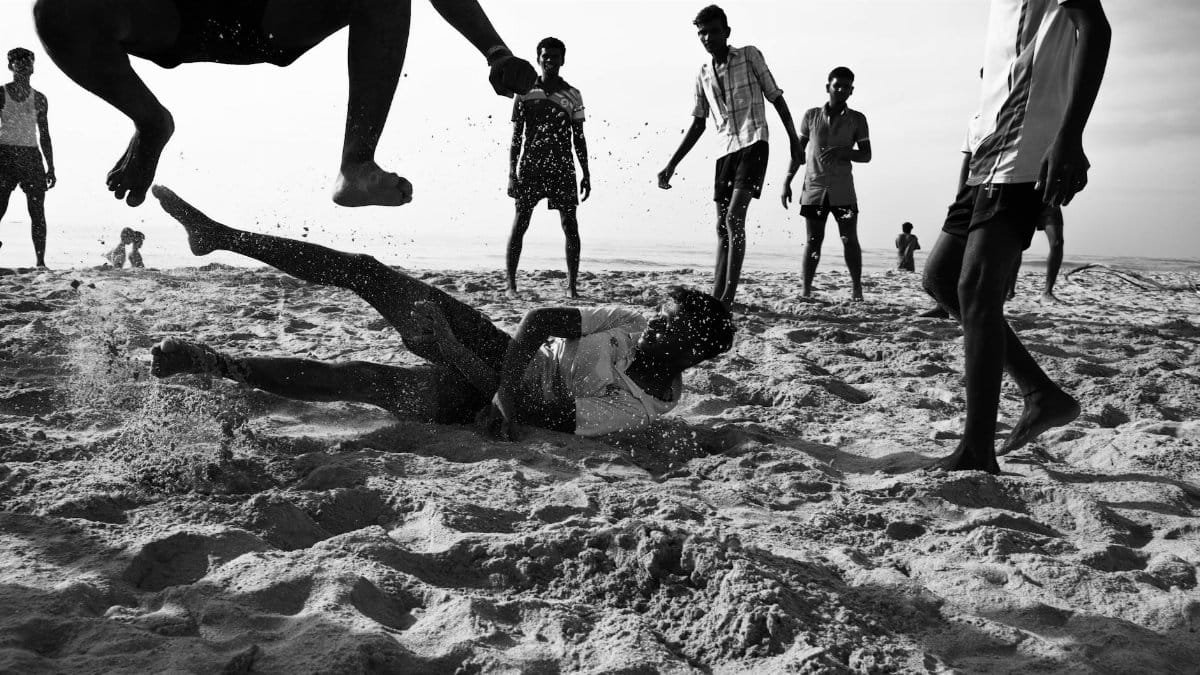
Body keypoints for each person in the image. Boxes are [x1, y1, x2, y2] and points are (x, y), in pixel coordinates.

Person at [148, 186, 736, 439]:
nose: (652, 321)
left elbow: (533, 418)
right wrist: (472, 351)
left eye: (668, 323)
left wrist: (451, 353)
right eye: (659, 313)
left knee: (359, 381)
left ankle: (214, 363)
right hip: (501, 351)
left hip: (475, 399)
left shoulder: (640, 410)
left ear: (693, 349)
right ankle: (219, 235)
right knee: (366, 268)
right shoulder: (632, 325)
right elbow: (537, 324)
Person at [32, 0, 536, 208]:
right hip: (165, 15)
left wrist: (495, 51)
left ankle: (356, 163)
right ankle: (149, 121)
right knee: (56, 9)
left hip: (268, 15)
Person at [922, 0, 1110, 473]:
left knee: (977, 291)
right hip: (989, 145)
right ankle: (1041, 394)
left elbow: (1096, 28)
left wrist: (1070, 136)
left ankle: (976, 452)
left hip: (1029, 146)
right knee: (942, 278)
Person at [657, 4, 801, 309]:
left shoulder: (749, 55)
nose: (707, 37)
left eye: (713, 31)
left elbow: (776, 96)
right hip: (725, 151)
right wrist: (671, 164)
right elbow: (698, 123)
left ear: (727, 32)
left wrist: (793, 141)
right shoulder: (703, 73)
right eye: (701, 33)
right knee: (722, 226)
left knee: (736, 218)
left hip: (754, 142)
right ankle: (716, 294)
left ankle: (727, 300)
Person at [505, 37, 590, 299]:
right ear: (538, 59)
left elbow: (579, 137)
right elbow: (517, 137)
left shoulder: (573, 95)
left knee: (570, 226)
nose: (550, 61)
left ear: (563, 60)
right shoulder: (524, 92)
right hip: (531, 167)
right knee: (521, 224)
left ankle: (572, 286)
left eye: (555, 56)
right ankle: (510, 285)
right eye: (546, 56)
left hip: (562, 167)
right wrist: (511, 173)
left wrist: (586, 173)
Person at [783, 67, 872, 300]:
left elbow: (866, 155)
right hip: (814, 190)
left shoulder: (858, 120)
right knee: (813, 240)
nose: (841, 90)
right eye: (837, 86)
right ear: (828, 88)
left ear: (851, 91)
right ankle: (806, 290)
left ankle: (856, 289)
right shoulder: (811, 116)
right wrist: (787, 180)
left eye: (846, 87)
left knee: (848, 239)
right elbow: (798, 152)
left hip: (843, 191)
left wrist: (844, 152)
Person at [0, 48, 55, 268]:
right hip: (5, 154)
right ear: (10, 66)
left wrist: (51, 166)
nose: (24, 66)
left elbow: (45, 134)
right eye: (19, 62)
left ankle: (40, 262)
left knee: (37, 211)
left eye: (28, 62)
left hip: (31, 156)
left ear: (33, 67)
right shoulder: (1, 94)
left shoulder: (40, 98)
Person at [1006, 205, 1065, 303]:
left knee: (1057, 243)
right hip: (1023, 199)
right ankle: (1009, 290)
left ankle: (1047, 292)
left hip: (1047, 201)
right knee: (1017, 243)